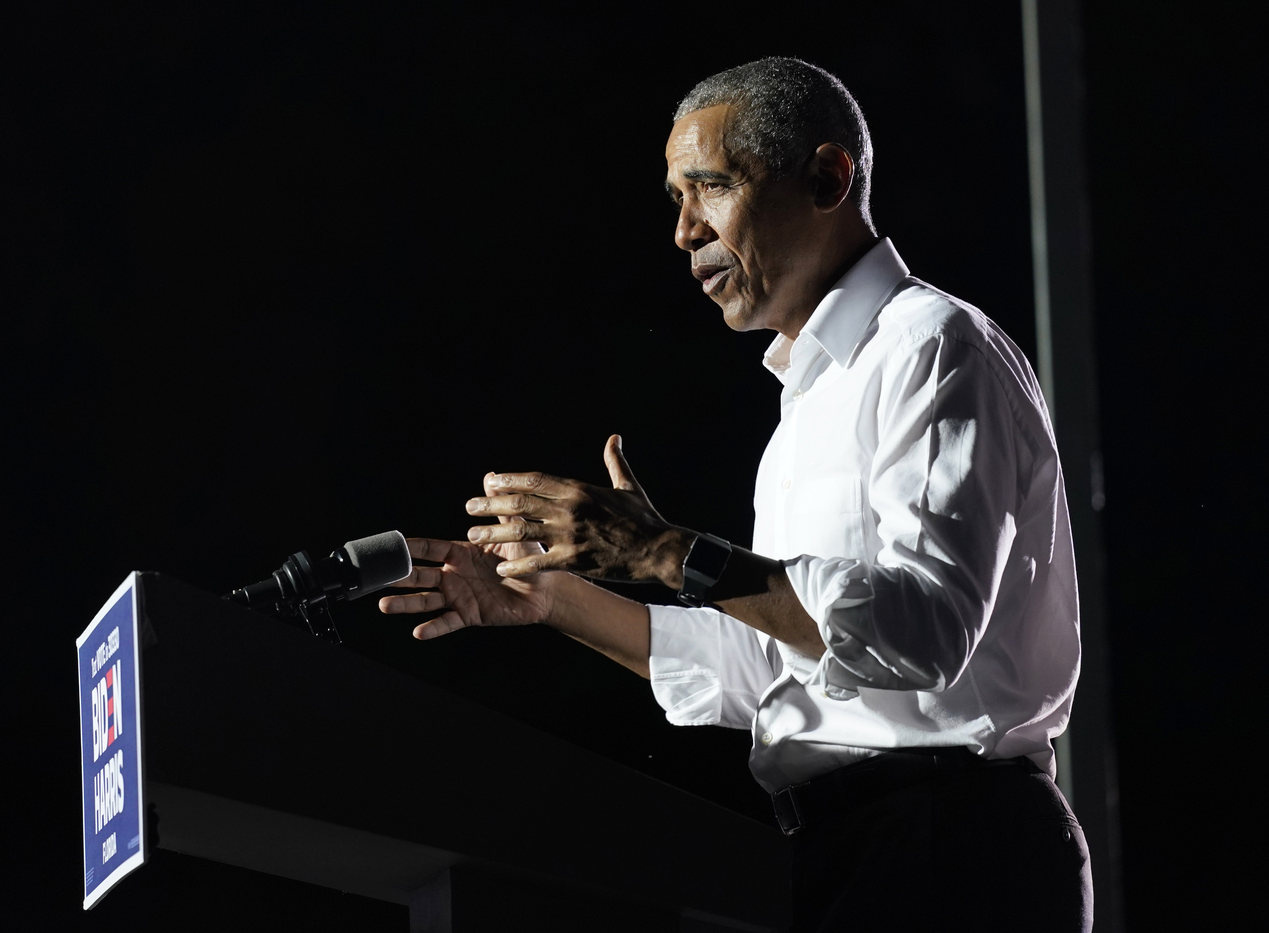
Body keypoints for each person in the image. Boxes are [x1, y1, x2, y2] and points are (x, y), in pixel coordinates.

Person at [379, 58, 1092, 932]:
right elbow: (771, 665)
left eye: (710, 188)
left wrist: (663, 553)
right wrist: (552, 601)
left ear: (829, 178)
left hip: (953, 850)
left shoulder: (931, 347)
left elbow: (923, 632)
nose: (683, 232)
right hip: (845, 853)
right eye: (676, 200)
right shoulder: (806, 404)